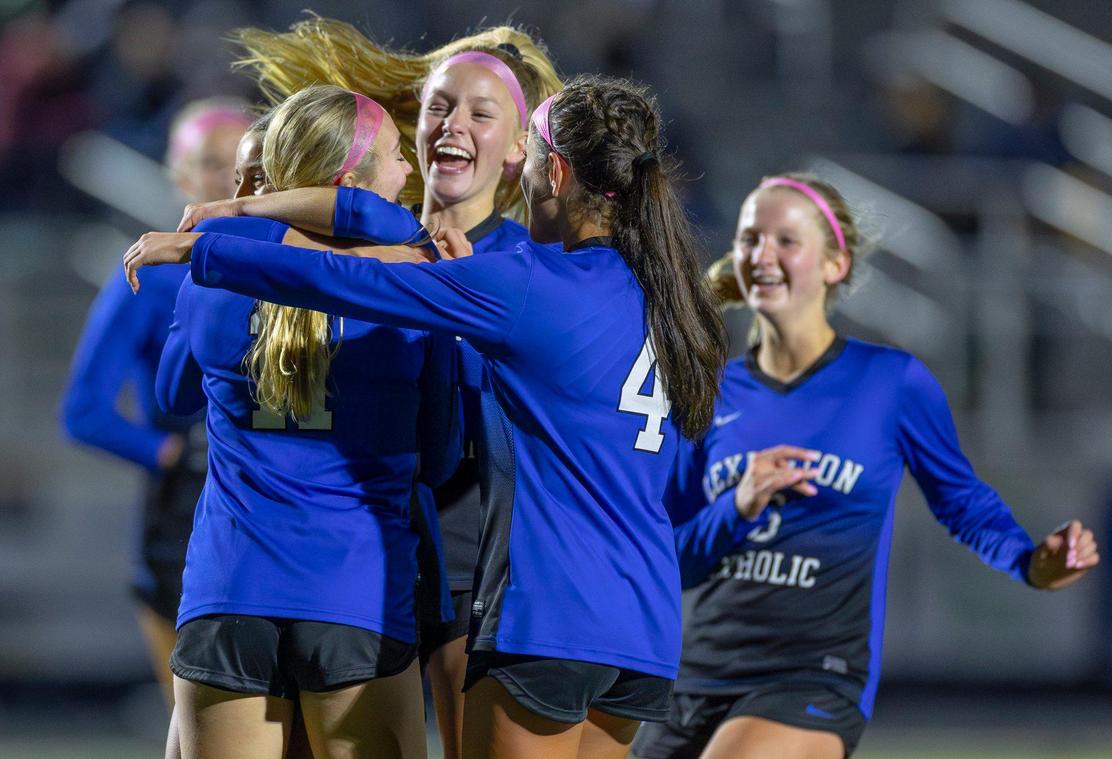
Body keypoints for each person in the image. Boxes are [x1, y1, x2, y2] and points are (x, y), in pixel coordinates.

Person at [124, 74, 733, 759]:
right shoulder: (675, 302)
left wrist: (209, 241)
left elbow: (350, 280)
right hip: (642, 628)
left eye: (528, 158)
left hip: (545, 616)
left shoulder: (526, 281)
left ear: (555, 172)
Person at [630, 173, 1101, 759]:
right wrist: (739, 505)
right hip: (697, 677)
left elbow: (963, 502)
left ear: (835, 264)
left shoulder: (891, 383)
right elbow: (669, 558)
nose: (762, 256)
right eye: (751, 239)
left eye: (786, 240)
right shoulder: (711, 393)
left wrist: (1031, 564)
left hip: (813, 677)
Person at [220, 19, 563, 755]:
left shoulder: (525, 267)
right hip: (360, 557)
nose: (452, 124)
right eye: (440, 106)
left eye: (480, 112)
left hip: (476, 559)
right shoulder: (360, 247)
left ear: (516, 153)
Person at [152, 85, 460, 759]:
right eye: (393, 156)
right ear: (351, 179)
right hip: (354, 592)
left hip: (228, 589)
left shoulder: (215, 247)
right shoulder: (413, 272)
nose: (408, 170)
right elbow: (440, 451)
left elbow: (171, 391)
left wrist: (239, 208)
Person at [59, 97, 251, 707]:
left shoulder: (295, 266)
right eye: (211, 162)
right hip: (184, 515)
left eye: (243, 159)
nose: (230, 177)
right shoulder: (149, 274)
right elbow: (83, 410)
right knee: (201, 727)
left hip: (273, 509)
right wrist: (172, 451)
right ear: (179, 177)